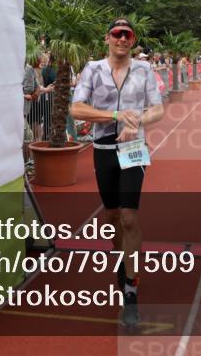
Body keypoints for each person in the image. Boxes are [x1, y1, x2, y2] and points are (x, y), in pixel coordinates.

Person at [70, 18, 164, 328]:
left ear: (133, 40)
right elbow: (77, 108)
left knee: (128, 217)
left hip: (133, 149)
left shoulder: (144, 70)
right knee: (111, 218)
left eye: (128, 35)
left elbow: (157, 108)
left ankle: (131, 288)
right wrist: (113, 115)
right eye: (116, 34)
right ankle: (125, 260)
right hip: (103, 149)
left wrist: (136, 121)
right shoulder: (92, 69)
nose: (122, 39)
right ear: (107, 37)